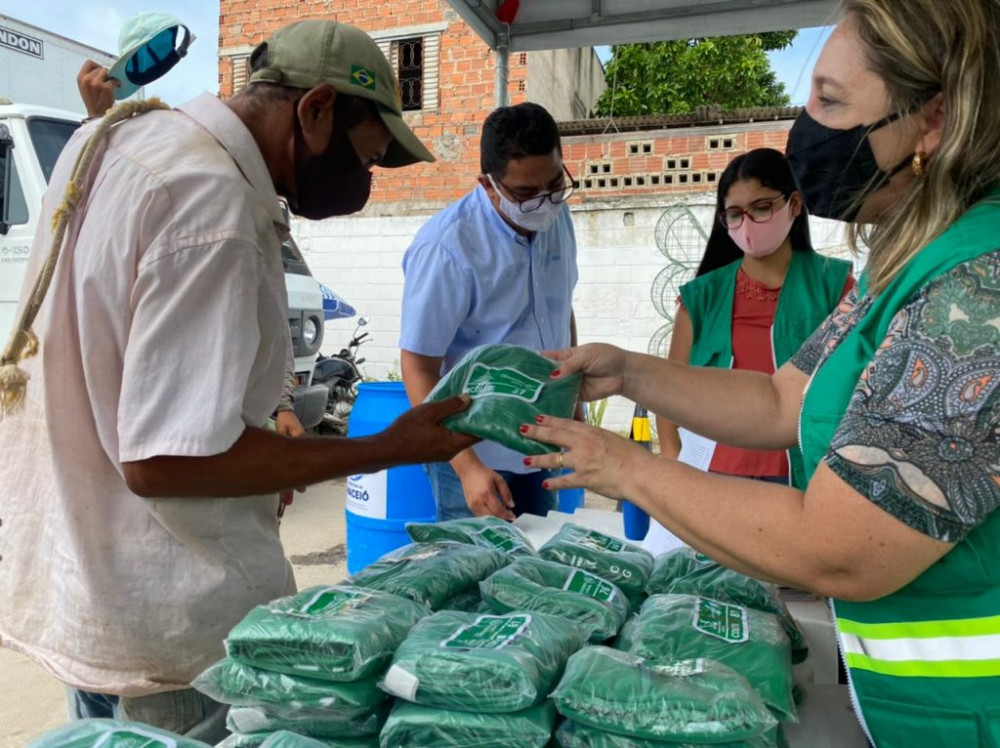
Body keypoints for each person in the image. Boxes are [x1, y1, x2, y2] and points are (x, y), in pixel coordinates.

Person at [522, 1, 1000, 745]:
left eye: (831, 102)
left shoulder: (978, 287)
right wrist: (630, 373)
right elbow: (783, 399)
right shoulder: (911, 259)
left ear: (932, 120)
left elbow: (837, 548)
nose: (805, 126)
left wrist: (625, 469)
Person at [0, 20, 475, 739]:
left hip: (88, 593)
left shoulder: (110, 140)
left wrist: (266, 434)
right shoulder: (211, 200)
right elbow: (165, 462)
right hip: (170, 630)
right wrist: (393, 447)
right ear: (316, 109)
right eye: (367, 158)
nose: (364, 184)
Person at [399, 102, 579, 521]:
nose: (543, 204)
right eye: (525, 193)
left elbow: (561, 310)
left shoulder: (558, 216)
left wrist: (574, 408)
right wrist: (467, 467)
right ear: (488, 183)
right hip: (472, 446)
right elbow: (418, 365)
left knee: (538, 564)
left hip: (540, 439)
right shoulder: (447, 247)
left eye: (554, 185)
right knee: (476, 568)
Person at [656, 148, 853, 488]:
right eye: (735, 214)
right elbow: (668, 394)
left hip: (805, 475)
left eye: (761, 208)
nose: (747, 224)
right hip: (711, 474)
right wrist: (675, 468)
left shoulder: (834, 287)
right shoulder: (700, 298)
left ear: (793, 205)